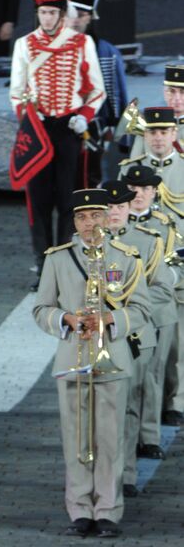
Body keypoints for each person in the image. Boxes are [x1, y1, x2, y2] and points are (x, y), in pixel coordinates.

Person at [33, 188, 149, 537]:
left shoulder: (127, 258)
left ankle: (109, 511)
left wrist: (111, 320)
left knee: (111, 438)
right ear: (75, 222)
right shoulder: (57, 258)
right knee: (76, 438)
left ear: (106, 218)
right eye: (82, 218)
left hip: (112, 356)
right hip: (73, 358)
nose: (89, 223)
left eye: (96, 216)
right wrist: (66, 319)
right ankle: (80, 508)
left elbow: (143, 308)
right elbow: (41, 309)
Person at [10, 0, 105, 285]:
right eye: (43, 12)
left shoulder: (81, 43)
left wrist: (84, 116)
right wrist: (28, 118)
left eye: (52, 12)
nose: (47, 18)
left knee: (68, 199)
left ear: (62, 13)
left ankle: (65, 264)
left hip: (68, 128)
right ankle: (43, 266)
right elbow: (16, 91)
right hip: (38, 129)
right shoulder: (24, 44)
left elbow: (97, 90)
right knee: (38, 201)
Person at [104, 180, 173, 496]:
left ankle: (127, 474)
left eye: (120, 206)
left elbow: (161, 288)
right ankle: (100, 476)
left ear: (130, 207)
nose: (114, 212)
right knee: (97, 412)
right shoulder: (82, 244)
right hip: (97, 339)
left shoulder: (148, 241)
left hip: (134, 336)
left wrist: (131, 311)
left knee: (131, 404)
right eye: (109, 206)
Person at [124, 163, 183, 429]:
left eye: (145, 189)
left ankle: (159, 414)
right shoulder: (114, 221)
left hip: (159, 305)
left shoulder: (166, 224)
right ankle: (137, 421)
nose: (139, 194)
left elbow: (178, 262)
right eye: (133, 188)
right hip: (123, 307)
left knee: (161, 365)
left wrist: (164, 282)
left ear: (154, 192)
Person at [66, 0, 128, 185]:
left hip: (94, 126)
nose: (76, 19)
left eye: (82, 14)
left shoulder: (106, 52)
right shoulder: (51, 50)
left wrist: (119, 130)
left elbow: (118, 93)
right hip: (60, 125)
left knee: (92, 180)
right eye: (72, 14)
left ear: (91, 16)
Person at [128, 64, 184, 160]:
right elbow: (133, 165)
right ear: (164, 93)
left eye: (183, 92)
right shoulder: (148, 123)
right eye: (171, 91)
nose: (177, 98)